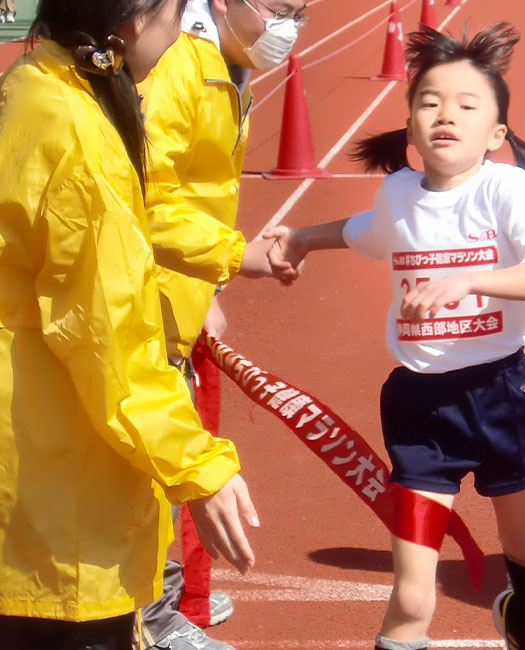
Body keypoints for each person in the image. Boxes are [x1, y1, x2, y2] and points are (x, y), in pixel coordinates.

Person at [265, 22, 525, 650]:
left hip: (502, 392)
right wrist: (304, 237)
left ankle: (524, 613)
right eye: (429, 102)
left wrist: (468, 279)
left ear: (497, 133)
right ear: (411, 127)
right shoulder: (398, 196)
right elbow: (366, 229)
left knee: (522, 541)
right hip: (420, 406)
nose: (447, 115)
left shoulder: (508, 190)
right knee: (412, 596)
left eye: (468, 106)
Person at [0, 0, 261, 648]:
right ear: (137, 19)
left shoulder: (37, 86)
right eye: (177, 11)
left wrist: (227, 254)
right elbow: (108, 340)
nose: (182, 29)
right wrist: (197, 466)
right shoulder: (78, 129)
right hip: (60, 504)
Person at [134, 0, 306, 647]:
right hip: (141, 293)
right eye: (278, 7)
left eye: (303, 11)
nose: (288, 25)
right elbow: (145, 195)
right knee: (141, 451)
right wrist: (234, 255)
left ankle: (153, 589)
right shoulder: (176, 61)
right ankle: (145, 617)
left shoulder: (223, 58)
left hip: (174, 285)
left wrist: (204, 285)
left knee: (155, 451)